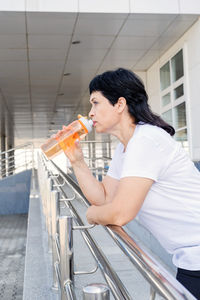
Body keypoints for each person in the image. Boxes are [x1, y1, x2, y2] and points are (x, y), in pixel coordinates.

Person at [64, 68, 200, 299]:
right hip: (190, 259)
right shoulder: (126, 147)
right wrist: (77, 162)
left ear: (119, 104)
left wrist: (92, 214)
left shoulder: (146, 139)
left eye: (96, 103)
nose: (91, 113)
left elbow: (119, 214)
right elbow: (105, 197)